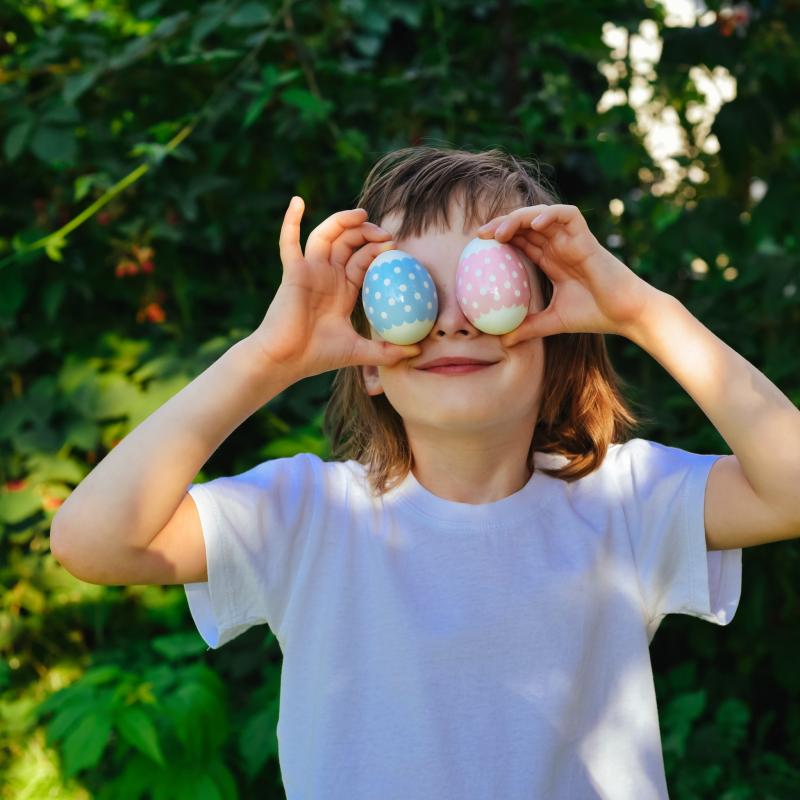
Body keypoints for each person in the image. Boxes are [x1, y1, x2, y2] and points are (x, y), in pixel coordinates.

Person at [51, 147, 800, 799]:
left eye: (488, 282)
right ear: (370, 363)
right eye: (408, 290)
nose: (450, 320)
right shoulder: (309, 515)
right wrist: (267, 358)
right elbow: (92, 542)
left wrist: (639, 310)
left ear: (554, 335)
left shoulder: (622, 503)